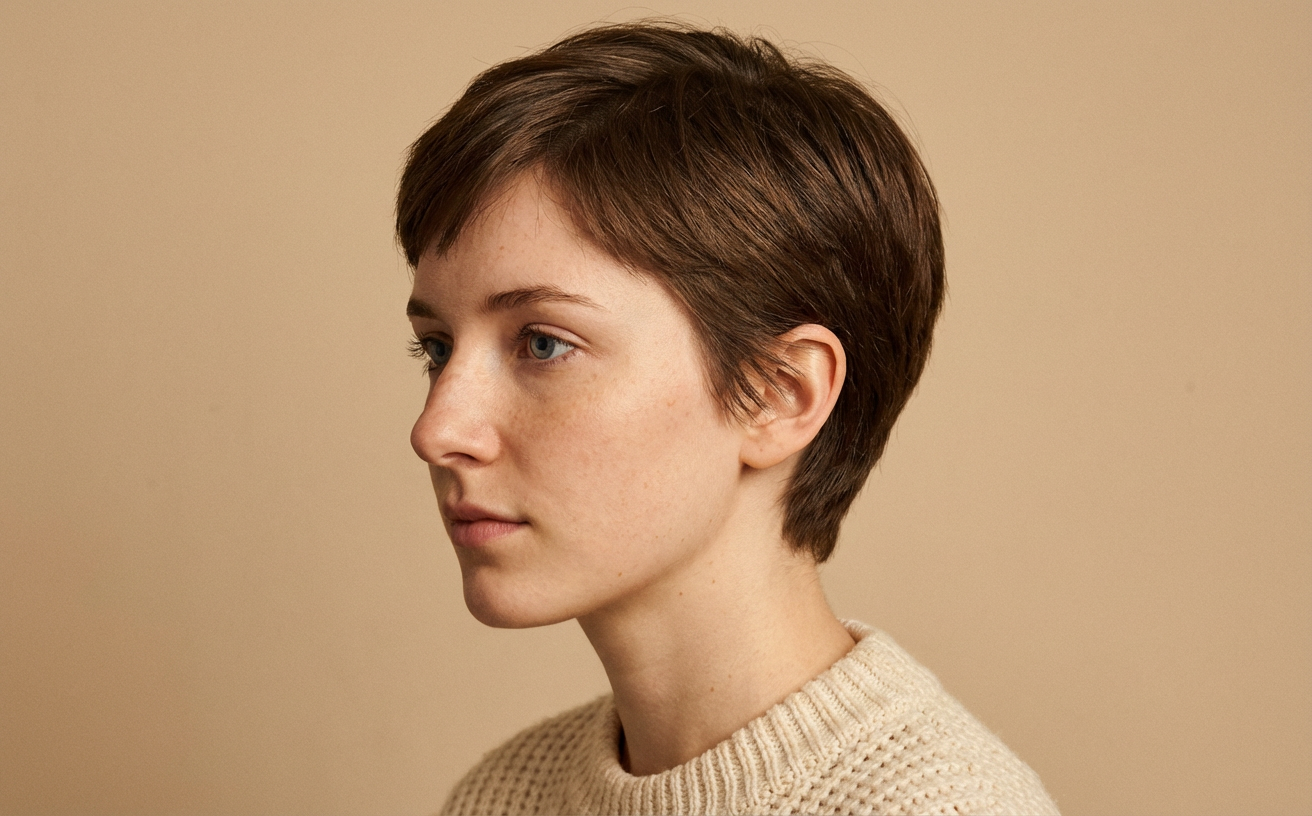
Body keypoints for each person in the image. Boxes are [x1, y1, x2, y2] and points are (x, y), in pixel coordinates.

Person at [398, 21, 1058, 815]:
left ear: (780, 392)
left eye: (543, 343)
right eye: (436, 350)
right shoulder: (505, 797)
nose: (437, 430)